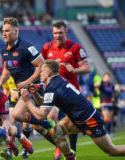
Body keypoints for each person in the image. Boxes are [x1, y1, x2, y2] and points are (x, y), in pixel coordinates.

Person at [21, 60, 125, 160]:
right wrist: (34, 94)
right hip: (77, 118)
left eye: (42, 71)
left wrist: (27, 101)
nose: (39, 73)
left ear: (49, 72)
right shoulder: (56, 82)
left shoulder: (52, 87)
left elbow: (41, 115)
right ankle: (71, 157)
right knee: (56, 133)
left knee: (111, 150)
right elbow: (45, 104)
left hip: (90, 120)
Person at [0, 17, 54, 158]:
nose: (4, 33)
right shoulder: (4, 50)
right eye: (3, 31)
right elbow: (6, 68)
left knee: (16, 116)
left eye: (7, 31)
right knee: (8, 120)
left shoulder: (27, 48)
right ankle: (10, 149)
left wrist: (28, 81)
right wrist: (0, 82)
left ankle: (43, 123)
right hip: (18, 90)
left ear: (16, 31)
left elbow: (42, 65)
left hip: (33, 88)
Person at [41, 21, 91, 159]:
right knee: (50, 117)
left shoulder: (75, 48)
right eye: (55, 33)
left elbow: (88, 68)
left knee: (73, 121)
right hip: (53, 90)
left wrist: (74, 69)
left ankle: (72, 151)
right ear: (52, 33)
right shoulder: (47, 47)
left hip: (70, 92)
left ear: (66, 32)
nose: (58, 35)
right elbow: (42, 67)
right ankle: (59, 144)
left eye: (60, 33)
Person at [95, 72, 115, 137]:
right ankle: (104, 132)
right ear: (103, 77)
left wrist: (113, 97)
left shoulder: (111, 84)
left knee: (109, 118)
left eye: (108, 77)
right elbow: (96, 85)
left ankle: (109, 132)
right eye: (106, 77)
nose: (107, 78)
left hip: (110, 102)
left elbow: (113, 92)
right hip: (104, 102)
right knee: (106, 118)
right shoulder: (102, 84)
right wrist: (98, 83)